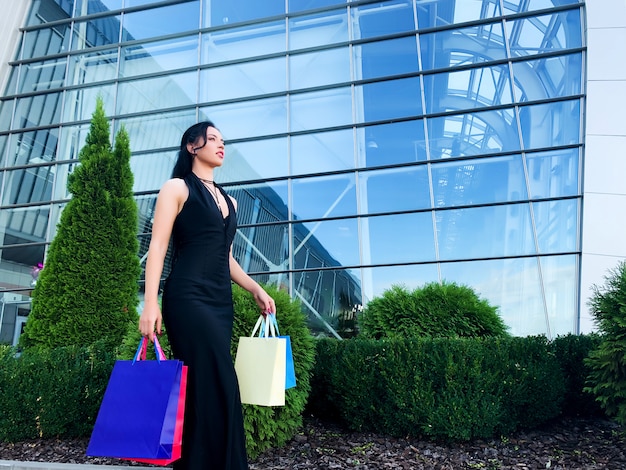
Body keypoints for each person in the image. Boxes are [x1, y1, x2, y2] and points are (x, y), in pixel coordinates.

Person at [139, 121, 276, 470]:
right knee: (220, 380)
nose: (220, 145)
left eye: (223, 141)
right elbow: (158, 245)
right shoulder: (176, 188)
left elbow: (225, 256)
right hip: (187, 297)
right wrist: (150, 302)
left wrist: (255, 288)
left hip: (219, 302)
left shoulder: (230, 200)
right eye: (212, 139)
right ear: (191, 146)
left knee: (208, 384)